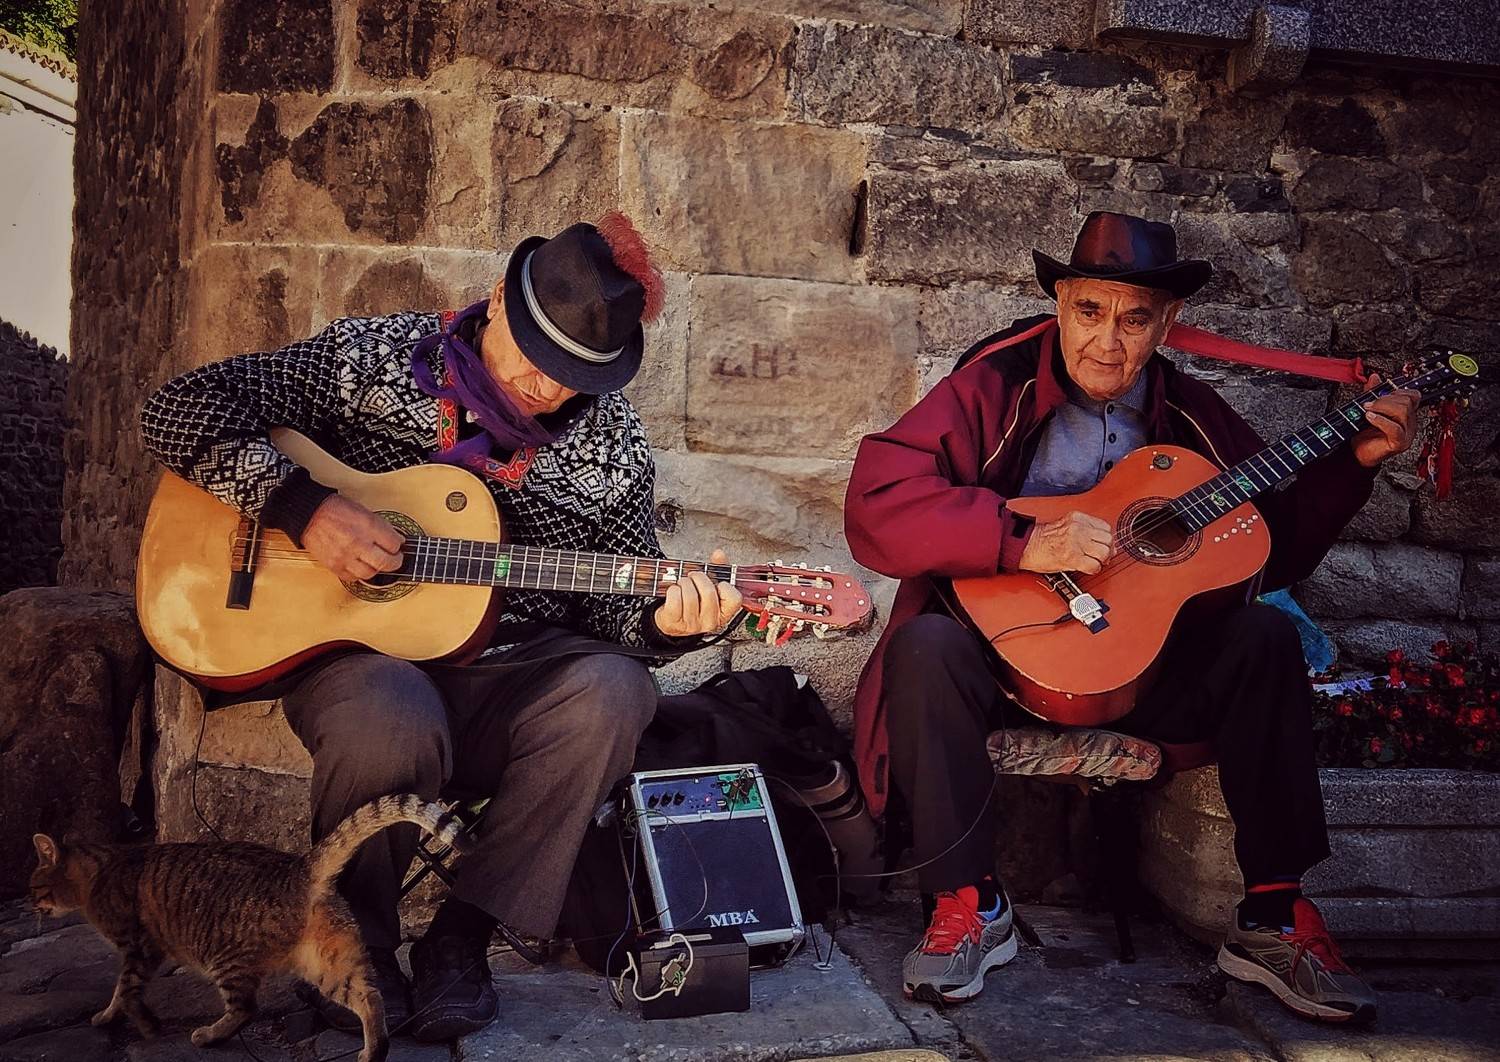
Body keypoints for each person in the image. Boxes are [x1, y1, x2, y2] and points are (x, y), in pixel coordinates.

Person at [139, 214, 742, 1040]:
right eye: (535, 355)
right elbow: (177, 409)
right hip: (361, 663)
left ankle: (463, 937)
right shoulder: (371, 359)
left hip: (511, 677)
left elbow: (615, 604)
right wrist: (304, 508)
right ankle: (354, 949)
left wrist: (667, 623)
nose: (544, 387)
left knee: (616, 689)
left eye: (571, 375)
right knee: (391, 713)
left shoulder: (615, 446)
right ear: (496, 298)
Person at [843, 211, 1418, 1022]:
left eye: (1135, 319)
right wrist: (1020, 541)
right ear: (1061, 304)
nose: (1108, 342)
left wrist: (1352, 467)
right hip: (1002, 670)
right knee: (925, 645)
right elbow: (878, 502)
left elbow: (1270, 547)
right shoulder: (994, 385)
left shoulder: (1190, 415)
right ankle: (967, 903)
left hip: (1142, 675)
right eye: (1089, 311)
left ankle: (1273, 913)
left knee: (1265, 635)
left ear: (1167, 323)